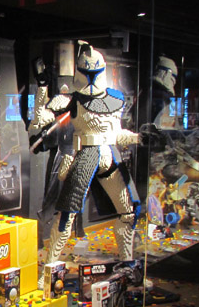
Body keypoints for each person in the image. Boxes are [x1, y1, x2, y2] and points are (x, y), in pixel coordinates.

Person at [29, 42, 143, 273]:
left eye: (94, 73)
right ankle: (49, 270)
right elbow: (39, 119)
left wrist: (140, 138)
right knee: (66, 215)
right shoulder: (71, 99)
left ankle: (127, 263)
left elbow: (117, 134)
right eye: (86, 73)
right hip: (85, 155)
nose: (90, 79)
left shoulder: (115, 98)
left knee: (129, 211)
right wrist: (42, 87)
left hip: (110, 154)